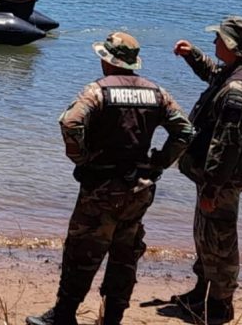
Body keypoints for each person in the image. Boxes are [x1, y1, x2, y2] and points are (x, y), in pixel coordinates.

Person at [27, 32, 193, 325]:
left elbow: (70, 122)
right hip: (139, 188)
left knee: (82, 251)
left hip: (101, 186)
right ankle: (112, 317)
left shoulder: (97, 91)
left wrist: (81, 157)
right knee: (125, 254)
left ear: (107, 60)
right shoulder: (156, 92)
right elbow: (185, 131)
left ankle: (64, 315)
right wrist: (159, 163)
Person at [170, 16, 242, 324]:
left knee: (219, 241)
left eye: (219, 39)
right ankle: (202, 292)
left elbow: (227, 146)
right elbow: (213, 73)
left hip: (221, 180)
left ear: (232, 46)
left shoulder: (238, 90)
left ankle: (220, 306)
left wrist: (212, 188)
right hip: (214, 177)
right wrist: (192, 55)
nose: (214, 43)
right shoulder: (235, 73)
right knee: (205, 236)